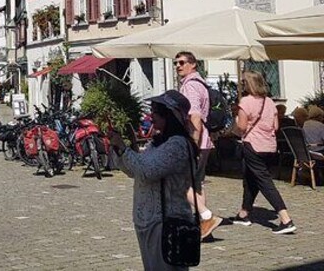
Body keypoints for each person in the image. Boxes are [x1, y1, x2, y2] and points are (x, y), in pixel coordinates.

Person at [110, 91, 199, 271]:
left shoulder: (178, 144)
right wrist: (120, 149)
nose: (152, 117)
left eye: (156, 112)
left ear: (170, 116)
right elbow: (135, 170)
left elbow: (148, 171)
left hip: (167, 222)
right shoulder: (158, 143)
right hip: (147, 220)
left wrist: (124, 148)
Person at [229, 71, 296, 234]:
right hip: (269, 146)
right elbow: (276, 126)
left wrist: (237, 120)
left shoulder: (246, 102)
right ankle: (244, 213)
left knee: (264, 181)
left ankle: (285, 218)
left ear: (248, 84)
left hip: (253, 144)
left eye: (243, 82)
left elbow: (242, 127)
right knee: (250, 178)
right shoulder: (270, 102)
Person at [174, 51, 222, 239]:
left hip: (195, 141)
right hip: (205, 142)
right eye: (176, 63)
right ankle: (205, 226)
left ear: (193, 64)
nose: (178, 66)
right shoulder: (200, 84)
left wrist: (192, 143)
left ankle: (206, 216)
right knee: (198, 184)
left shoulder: (191, 87)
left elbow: (195, 116)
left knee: (179, 182)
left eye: (182, 62)